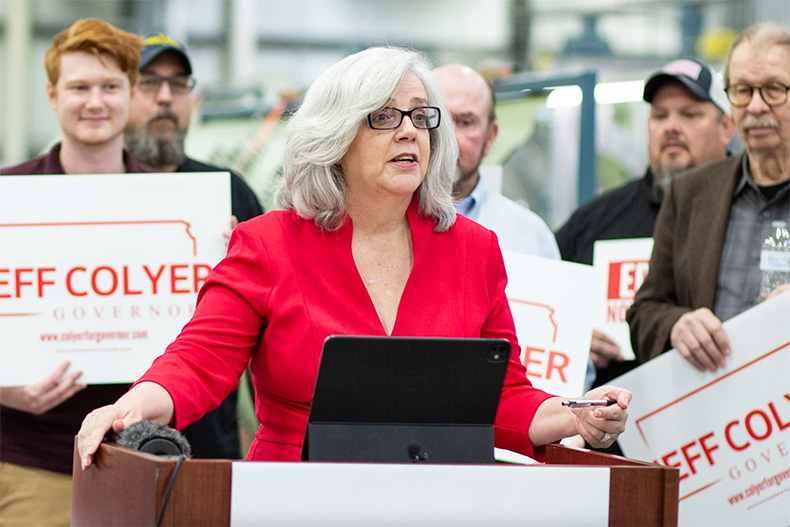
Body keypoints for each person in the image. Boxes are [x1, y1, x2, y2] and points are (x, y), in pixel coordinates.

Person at [77, 46, 630, 470]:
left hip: (436, 499)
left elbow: (504, 397)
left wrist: (577, 412)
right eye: (386, 117)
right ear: (336, 136)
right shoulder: (268, 244)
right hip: (296, 496)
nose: (410, 129)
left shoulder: (474, 249)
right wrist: (129, 408)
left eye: (421, 116)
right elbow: (197, 363)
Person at [0, 19, 146, 526]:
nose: (95, 102)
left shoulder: (173, 208)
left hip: (145, 457)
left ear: (132, 92)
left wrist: (221, 252)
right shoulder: (5, 199)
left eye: (110, 86)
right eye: (79, 87)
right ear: (51, 93)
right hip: (33, 459)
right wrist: (4, 389)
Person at [124, 33, 265, 460]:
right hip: (108, 433)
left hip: (208, 446)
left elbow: (271, 320)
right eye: (148, 83)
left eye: (179, 84)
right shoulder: (92, 195)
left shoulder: (228, 191)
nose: (166, 98)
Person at [556, 57, 735, 387]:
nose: (671, 127)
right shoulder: (597, 219)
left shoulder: (747, 212)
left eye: (690, 114)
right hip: (609, 425)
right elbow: (537, 302)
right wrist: (569, 335)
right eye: (659, 115)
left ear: (727, 128)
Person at [628, 22, 790, 371]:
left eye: (774, 89)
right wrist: (675, 325)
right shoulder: (689, 194)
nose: (757, 106)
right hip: (714, 415)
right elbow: (644, 312)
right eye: (743, 90)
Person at [432, 64, 559, 258]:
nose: (449, 138)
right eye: (436, 118)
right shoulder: (385, 225)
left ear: (490, 137)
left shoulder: (530, 237)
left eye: (465, 122)